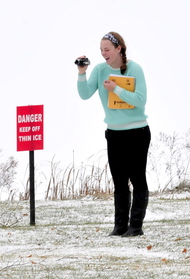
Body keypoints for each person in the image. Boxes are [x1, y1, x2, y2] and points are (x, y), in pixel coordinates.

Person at [76, 32, 151, 237]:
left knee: (137, 178)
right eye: (101, 49)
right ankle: (120, 227)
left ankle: (136, 226)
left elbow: (140, 100)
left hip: (137, 131)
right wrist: (82, 72)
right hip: (114, 133)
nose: (103, 53)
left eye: (107, 49)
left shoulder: (135, 69)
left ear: (119, 48)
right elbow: (84, 94)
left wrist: (116, 89)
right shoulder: (100, 70)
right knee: (119, 181)